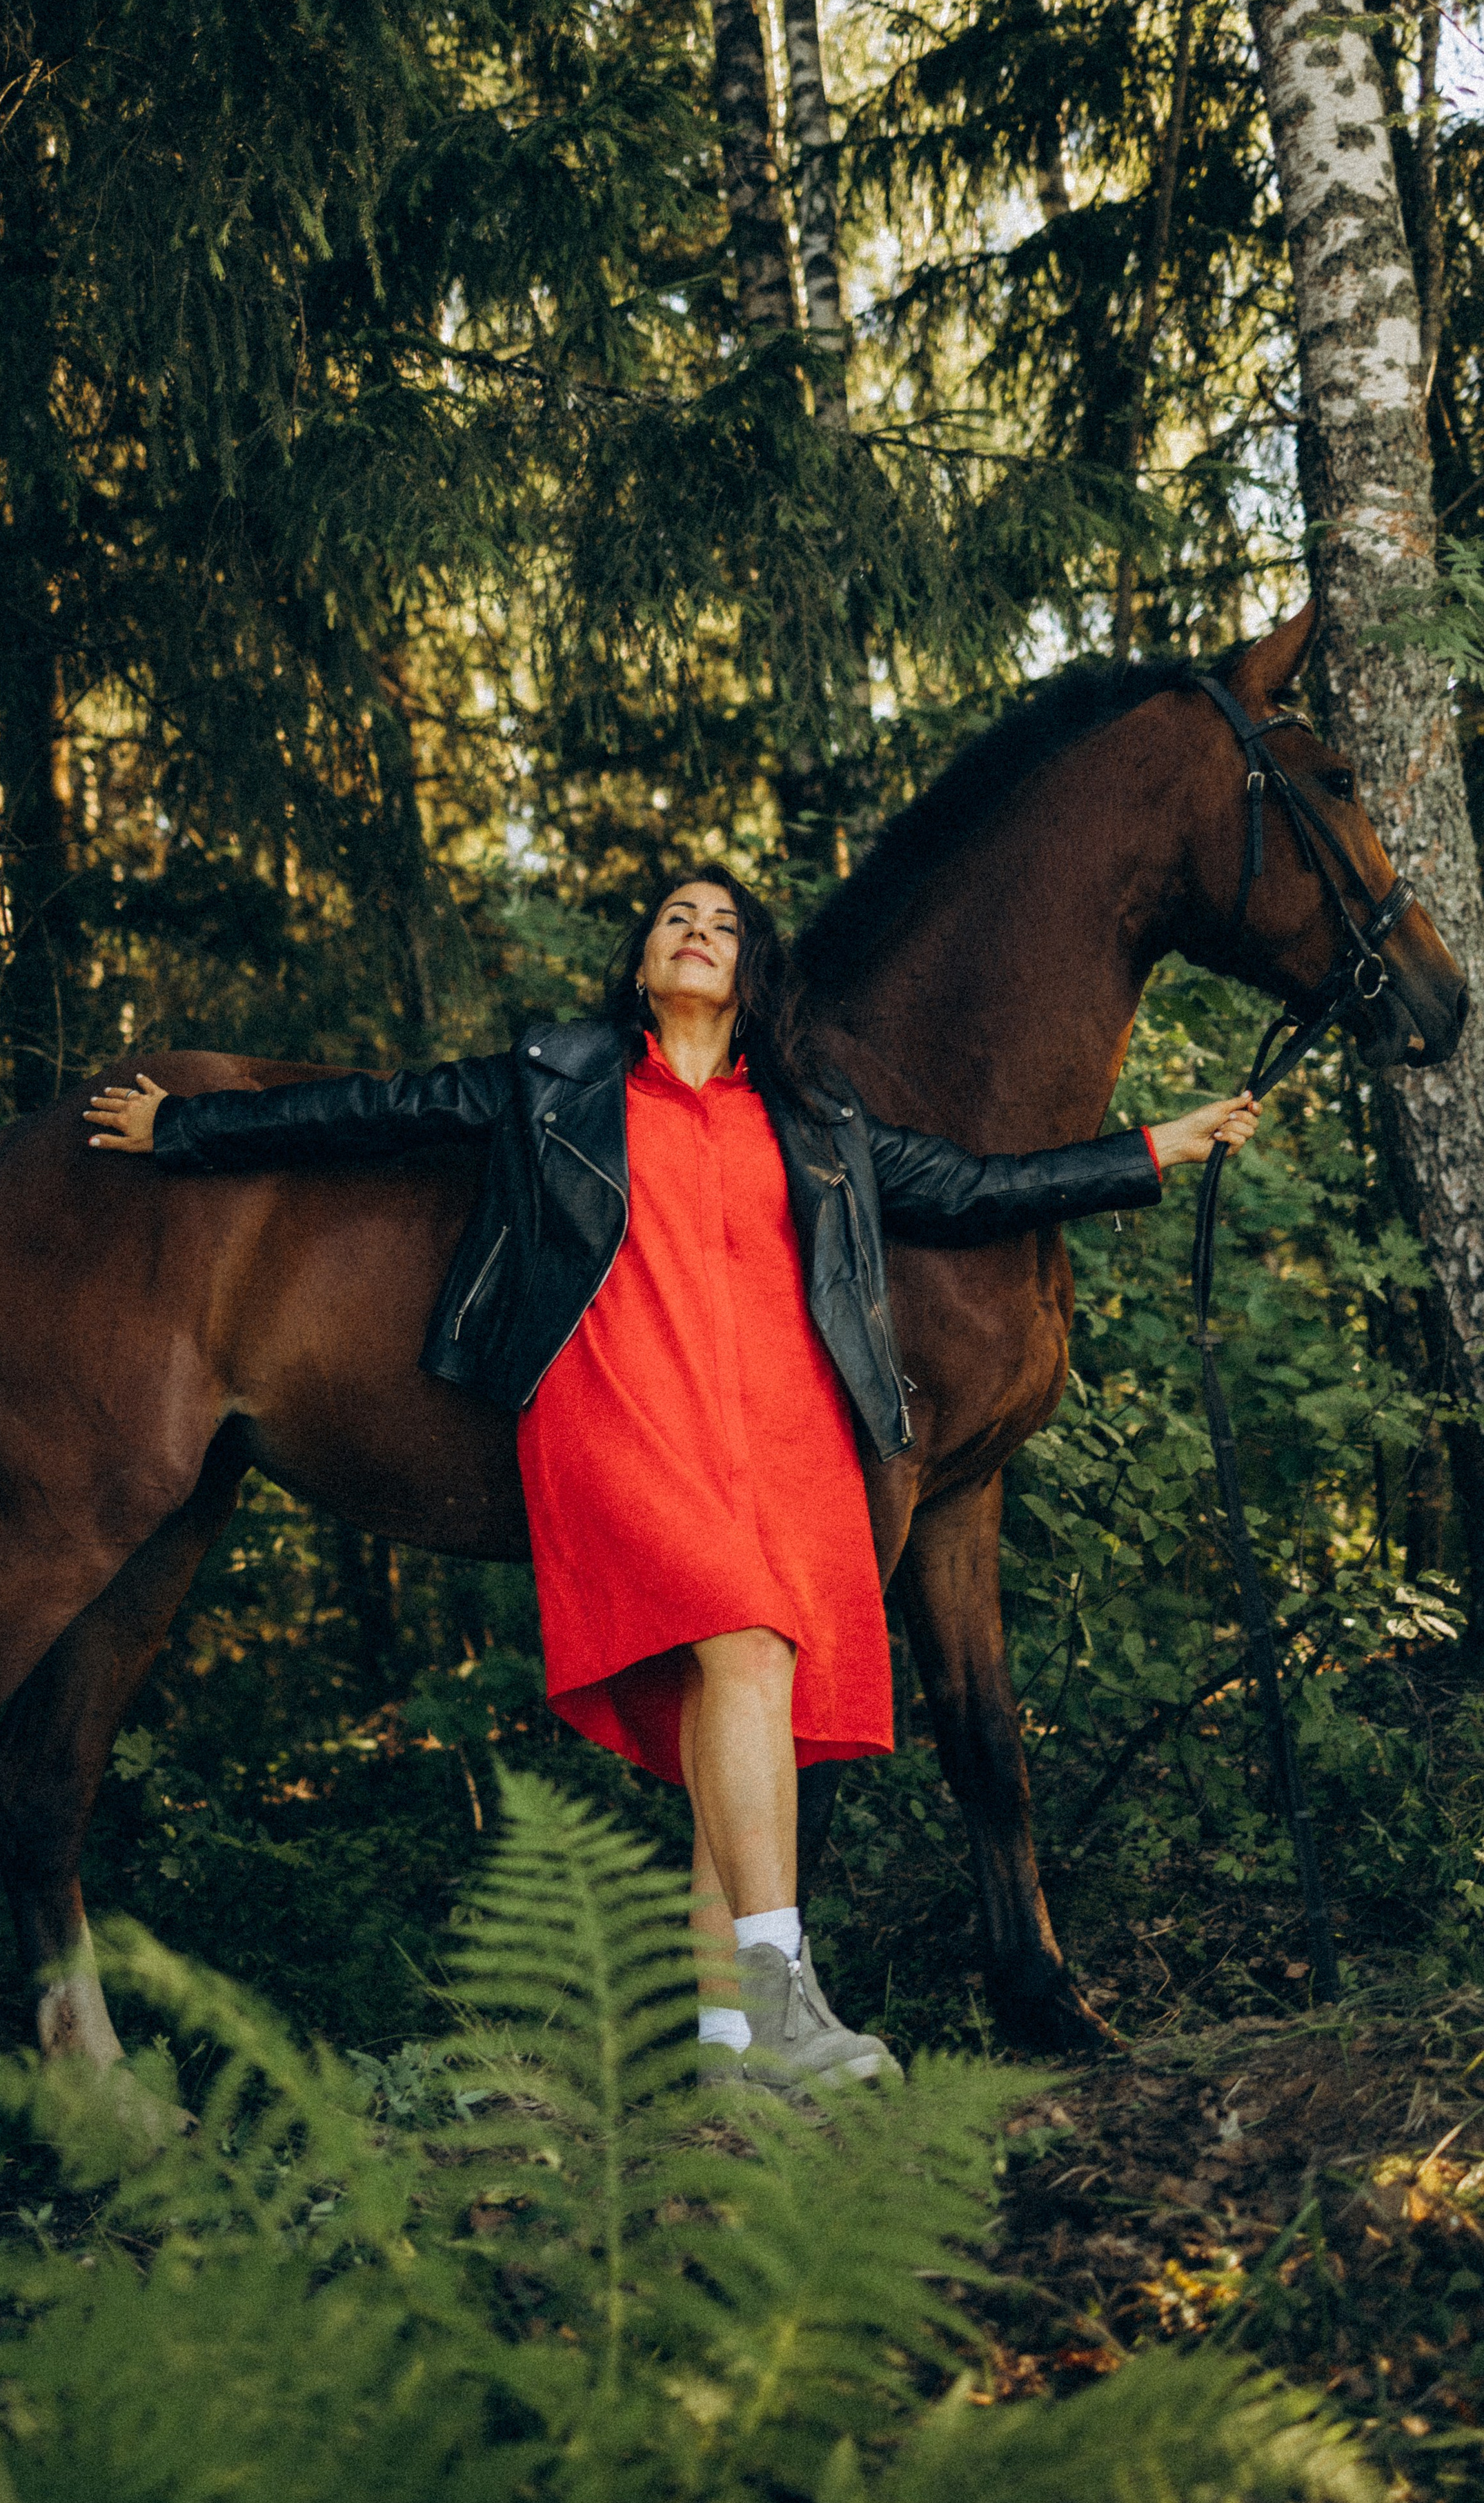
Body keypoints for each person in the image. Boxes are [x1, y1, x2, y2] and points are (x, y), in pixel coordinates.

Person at [84, 870, 1259, 2092]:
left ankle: (727, 2057)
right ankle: (785, 1996)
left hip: (781, 1438)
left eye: (723, 926)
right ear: (642, 961)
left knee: (737, 1708)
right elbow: (377, 1113)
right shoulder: (563, 1078)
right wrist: (188, 1130)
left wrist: (1146, 1151)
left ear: (753, 975)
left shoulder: (814, 1116)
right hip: (618, 1413)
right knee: (746, 1654)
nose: (696, 936)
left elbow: (972, 1191)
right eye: (673, 921)